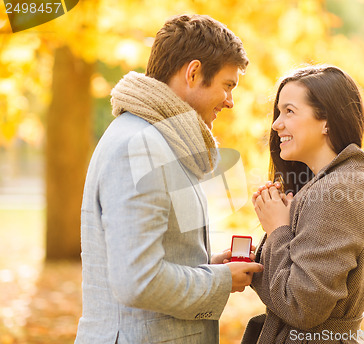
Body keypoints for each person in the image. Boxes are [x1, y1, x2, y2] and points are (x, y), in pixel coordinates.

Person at [75, 14, 263, 344]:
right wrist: (219, 280)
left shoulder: (160, 141)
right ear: (193, 73)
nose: (230, 102)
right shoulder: (139, 146)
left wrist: (208, 265)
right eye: (227, 85)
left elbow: (155, 255)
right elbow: (138, 280)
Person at [242, 65, 364, 344]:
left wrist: (278, 229)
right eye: (279, 112)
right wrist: (248, 262)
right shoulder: (325, 185)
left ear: (327, 121)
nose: (276, 124)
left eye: (289, 111)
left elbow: (301, 307)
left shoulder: (338, 190)